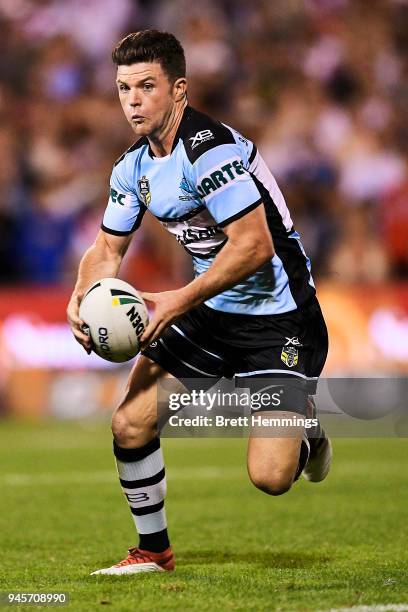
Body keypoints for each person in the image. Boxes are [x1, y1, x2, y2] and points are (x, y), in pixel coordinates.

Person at [67, 30, 331, 576]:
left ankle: (305, 425)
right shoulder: (133, 168)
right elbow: (107, 248)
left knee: (271, 478)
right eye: (123, 89)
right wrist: (82, 295)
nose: (132, 101)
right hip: (209, 312)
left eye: (146, 86)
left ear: (178, 89)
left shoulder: (211, 150)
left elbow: (255, 247)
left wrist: (174, 301)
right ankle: (154, 551)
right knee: (130, 423)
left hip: (279, 318)